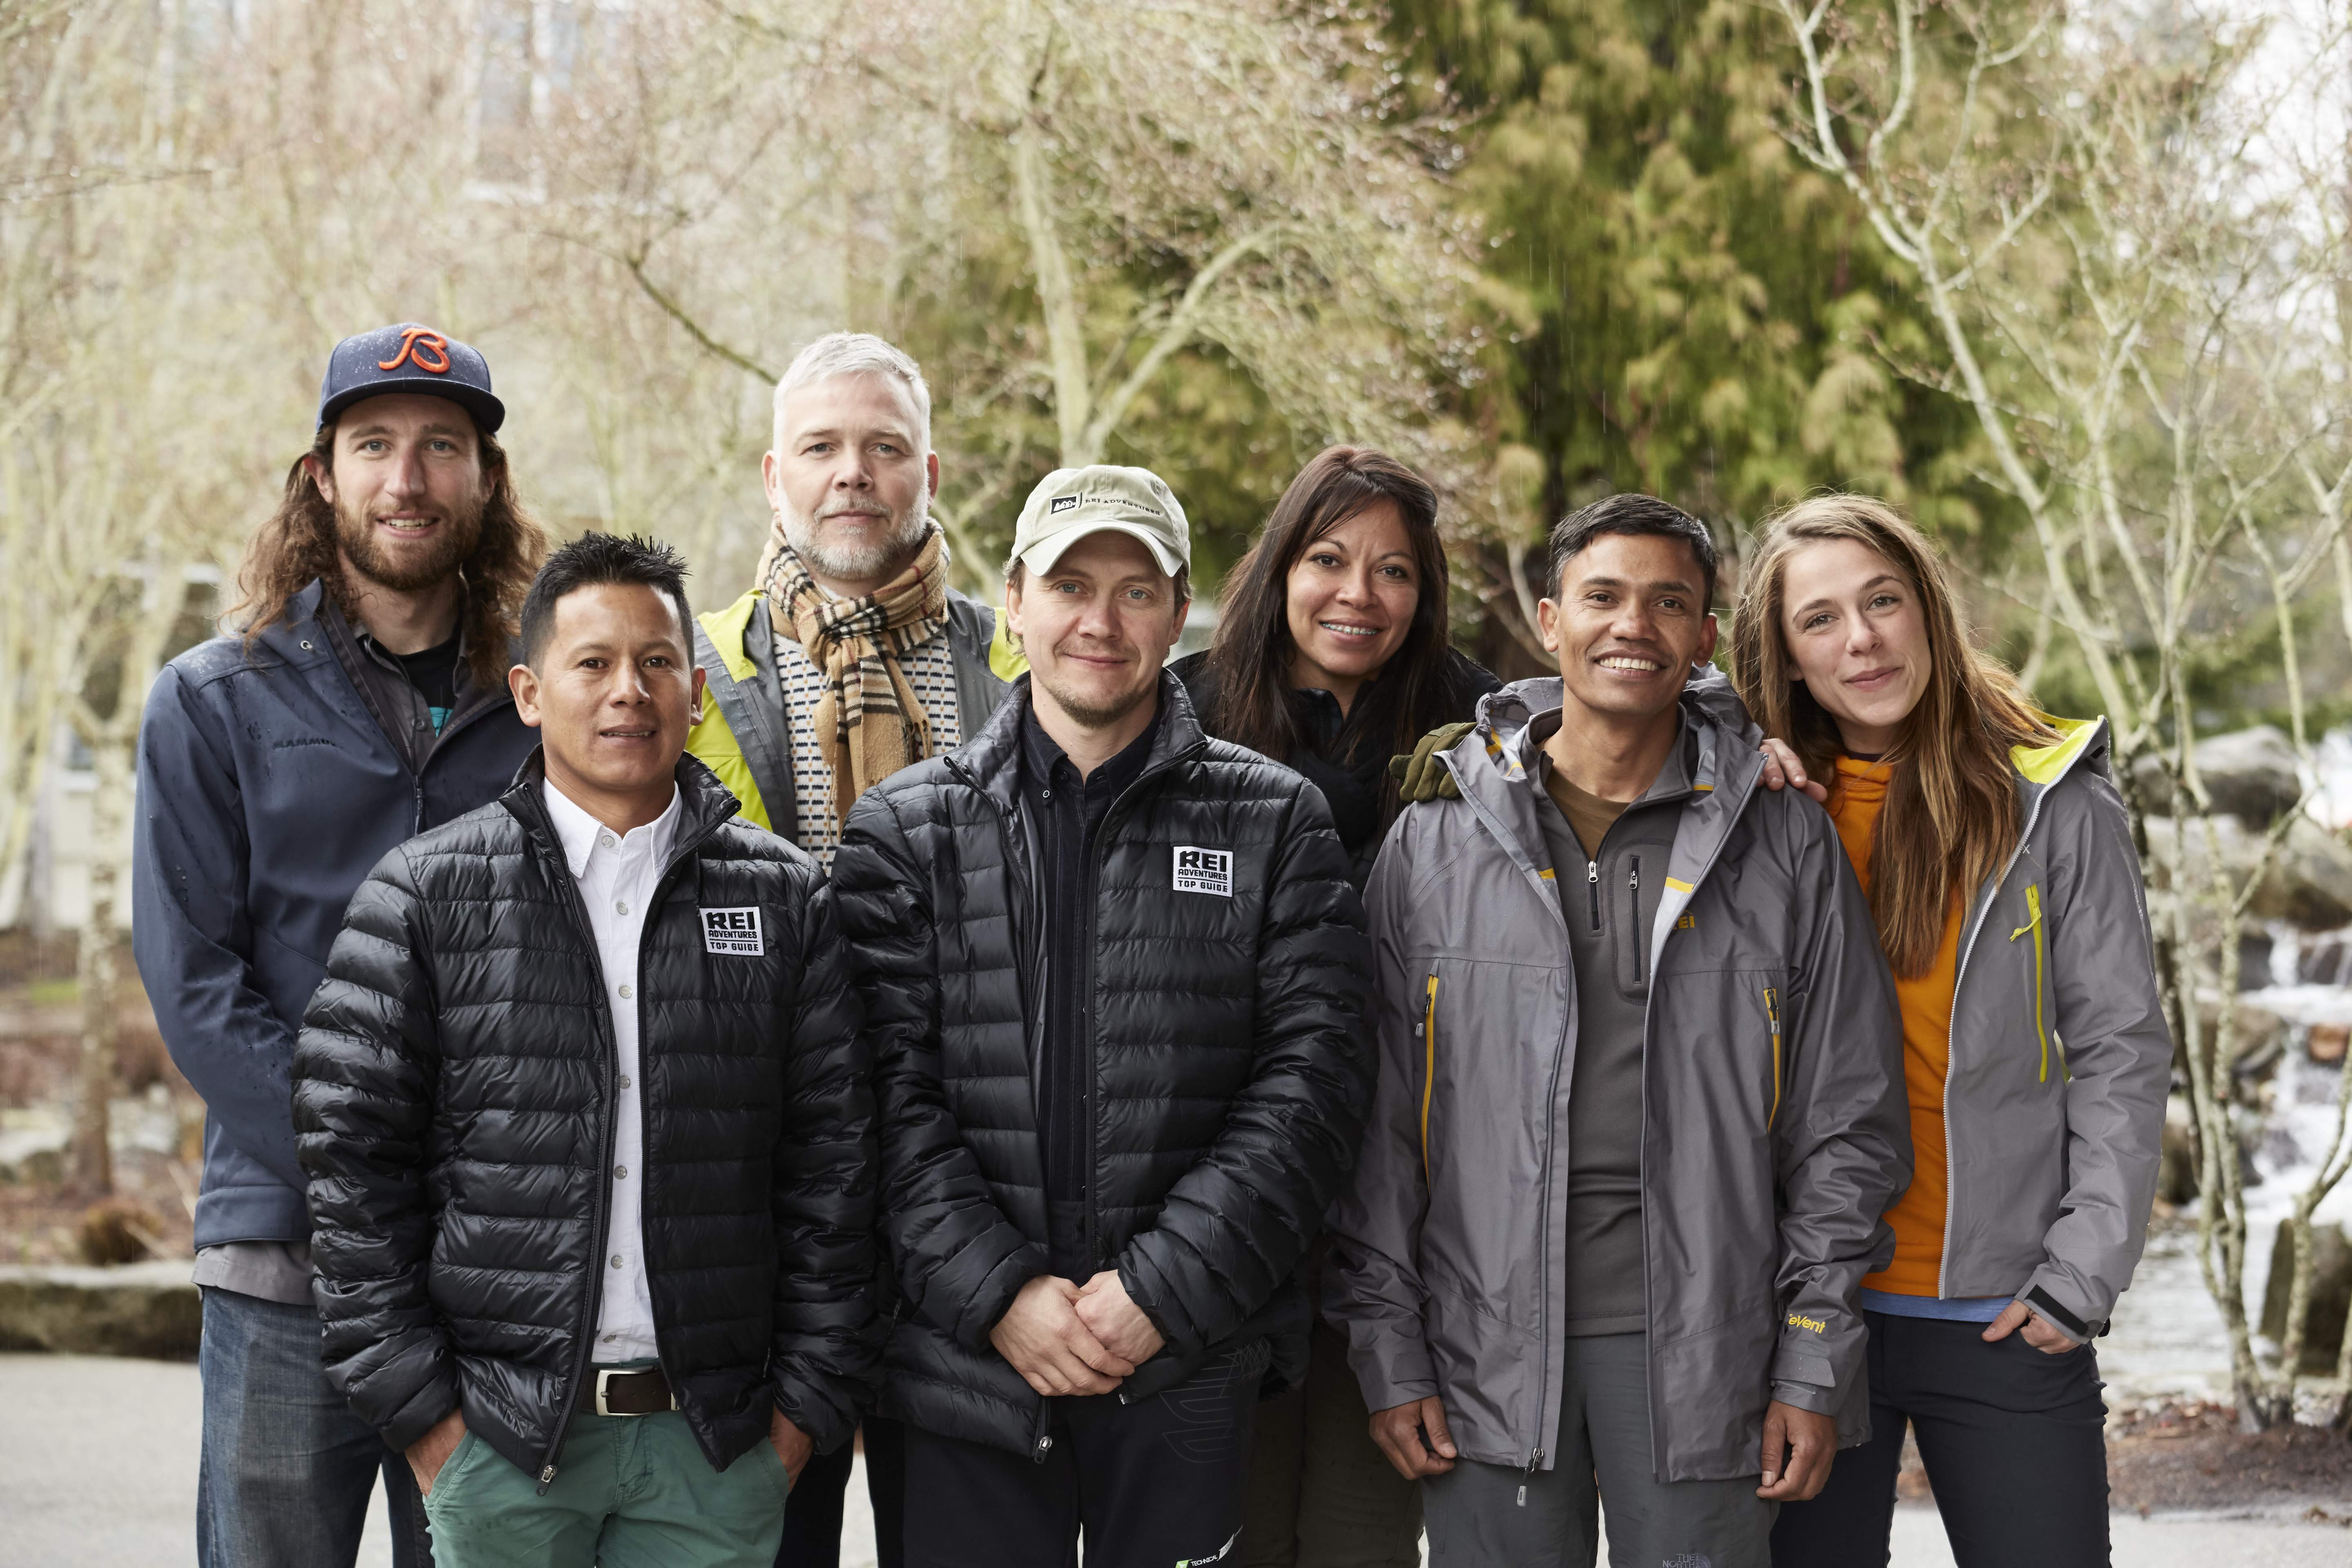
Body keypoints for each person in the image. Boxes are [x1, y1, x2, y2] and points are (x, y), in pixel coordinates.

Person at [1327, 493, 1911, 1568]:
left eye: (1667, 602)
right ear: (1550, 621)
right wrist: (1388, 1347)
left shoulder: (1784, 841)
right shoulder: (1432, 842)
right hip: (1482, 1350)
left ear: (1703, 636)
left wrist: (1813, 1354)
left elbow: (1850, 1122)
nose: (1631, 625)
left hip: (1709, 1352)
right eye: (1603, 597)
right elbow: (1372, 1126)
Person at [291, 534, 879, 1568]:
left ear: (696, 693)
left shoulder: (785, 900)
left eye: (657, 662)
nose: (628, 693)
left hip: (716, 1448)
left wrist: (795, 1425)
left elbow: (835, 1168)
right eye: (593, 663)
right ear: (529, 692)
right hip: (506, 1446)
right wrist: (433, 1429)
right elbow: (352, 1166)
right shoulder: (425, 896)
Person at [829, 464, 1376, 1568]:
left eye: (1137, 591)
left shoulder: (1275, 821)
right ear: (1016, 602)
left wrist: (1157, 1293)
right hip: (963, 1376)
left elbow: (1313, 1088)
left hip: (1186, 1364)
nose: (1101, 621)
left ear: (1179, 615)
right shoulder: (903, 831)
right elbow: (876, 1093)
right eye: (1072, 585)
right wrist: (1001, 1296)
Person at [133, 322, 546, 1568]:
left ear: (486, 480)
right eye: (373, 446)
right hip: (283, 1263)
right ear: (321, 476)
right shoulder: (214, 700)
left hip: (494, 1276)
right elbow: (198, 985)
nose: (405, 480)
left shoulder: (551, 706)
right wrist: (363, 1173)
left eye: (440, 448)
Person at [1726, 494, 2169, 1568]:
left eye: (1882, 601)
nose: (1863, 639)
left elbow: (2122, 1045)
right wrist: (1731, 763)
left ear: (1927, 606)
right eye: (1820, 619)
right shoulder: (1746, 799)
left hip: (2002, 1305)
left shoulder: (2051, 795)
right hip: (1802, 1311)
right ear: (1781, 650)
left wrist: (2082, 1272)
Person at [683, 331, 1019, 1568]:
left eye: (884, 449)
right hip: (776, 1186)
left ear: (930, 470)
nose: (853, 475)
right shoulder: (693, 671)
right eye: (822, 448)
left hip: (980, 1171)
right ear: (774, 476)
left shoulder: (1022, 665)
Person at [1169, 445, 1495, 1568]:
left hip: (1405, 1195)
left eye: (1395, 571)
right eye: (1329, 559)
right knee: (1229, 1528)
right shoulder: (1187, 713)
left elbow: (1632, 717)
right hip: (1223, 1189)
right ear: (1279, 566)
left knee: (1364, 1532)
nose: (1360, 595)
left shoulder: (1484, 730)